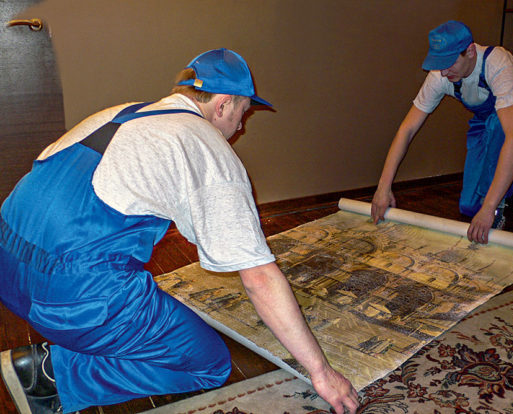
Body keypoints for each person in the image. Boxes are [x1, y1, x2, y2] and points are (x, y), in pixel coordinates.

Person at [0, 48, 359, 414]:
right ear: (222, 104)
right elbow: (258, 278)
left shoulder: (119, 113)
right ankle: (51, 376)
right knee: (209, 363)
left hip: (7, 274)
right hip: (70, 298)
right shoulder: (203, 144)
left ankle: (76, 338)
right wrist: (321, 372)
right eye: (243, 112)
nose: (241, 126)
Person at [371, 21, 513, 244]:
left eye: (449, 63)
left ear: (470, 51)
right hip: (488, 121)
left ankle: (499, 204)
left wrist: (489, 208)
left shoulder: (496, 63)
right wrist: (383, 187)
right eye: (439, 64)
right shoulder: (440, 75)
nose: (444, 72)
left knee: (498, 132)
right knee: (470, 207)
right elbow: (407, 129)